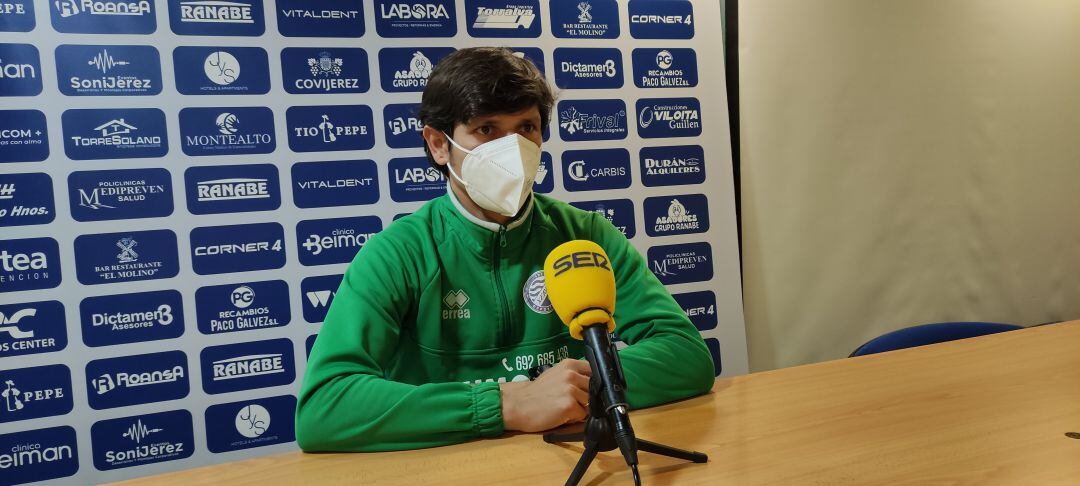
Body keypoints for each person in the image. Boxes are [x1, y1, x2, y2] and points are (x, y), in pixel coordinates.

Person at [295, 47, 715, 452]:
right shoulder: (397, 254)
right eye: (486, 129)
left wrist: (572, 387)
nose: (512, 148)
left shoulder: (586, 236)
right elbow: (325, 407)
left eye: (526, 128)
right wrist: (508, 403)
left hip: (563, 457)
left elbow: (685, 355)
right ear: (439, 144)